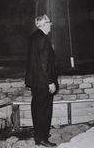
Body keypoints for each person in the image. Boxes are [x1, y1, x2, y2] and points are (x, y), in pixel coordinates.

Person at [25, 14, 58, 147]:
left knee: (37, 108)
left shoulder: (34, 37)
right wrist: (50, 82)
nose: (51, 24)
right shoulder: (43, 39)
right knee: (45, 110)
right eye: (49, 22)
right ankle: (43, 138)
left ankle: (39, 135)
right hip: (43, 82)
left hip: (35, 82)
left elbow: (33, 61)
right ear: (43, 24)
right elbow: (44, 63)